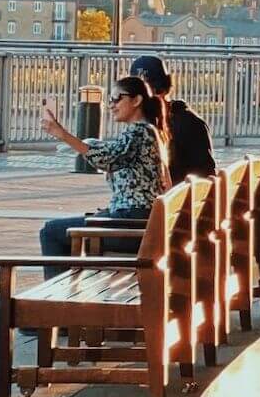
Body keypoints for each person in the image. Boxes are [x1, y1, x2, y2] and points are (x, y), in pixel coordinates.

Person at [33, 76, 170, 278]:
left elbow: (108, 160)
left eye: (117, 98)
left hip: (132, 224)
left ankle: (58, 300)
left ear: (136, 100)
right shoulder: (149, 131)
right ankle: (65, 292)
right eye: (111, 100)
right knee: (61, 229)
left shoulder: (140, 131)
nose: (112, 105)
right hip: (139, 221)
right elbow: (112, 155)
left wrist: (63, 134)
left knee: (51, 232)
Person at [129, 55, 215, 185]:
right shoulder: (191, 121)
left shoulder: (150, 127)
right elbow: (207, 176)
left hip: (169, 201)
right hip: (184, 200)